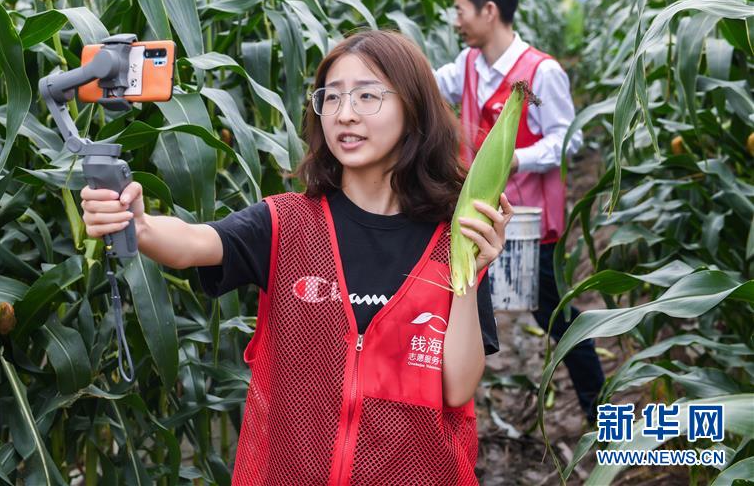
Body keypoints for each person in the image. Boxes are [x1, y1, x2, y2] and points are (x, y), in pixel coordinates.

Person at [82, 30, 511, 484]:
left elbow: (458, 387)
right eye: (332, 98)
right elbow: (194, 243)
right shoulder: (287, 223)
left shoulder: (451, 239)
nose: (345, 115)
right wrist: (142, 227)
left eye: (367, 96)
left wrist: (470, 272)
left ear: (413, 108)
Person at [434, 0, 605, 423]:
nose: (456, 21)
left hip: (529, 222)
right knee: (455, 306)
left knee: (557, 314)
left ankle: (601, 412)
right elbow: (425, 87)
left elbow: (570, 138)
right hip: (474, 220)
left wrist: (517, 159)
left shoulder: (541, 72)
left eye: (460, 10)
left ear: (489, 11)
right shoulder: (466, 66)